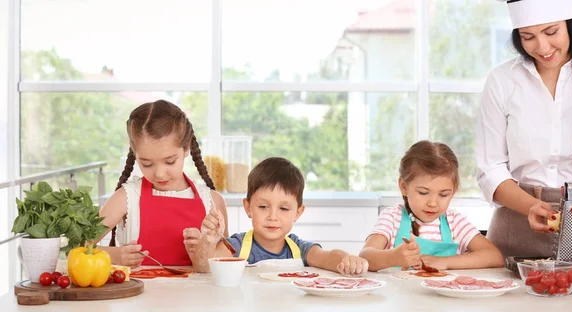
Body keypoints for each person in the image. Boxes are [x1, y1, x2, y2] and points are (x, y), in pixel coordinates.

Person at [476, 0, 572, 259]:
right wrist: (531, 206)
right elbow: (490, 167)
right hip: (515, 229)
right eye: (528, 37)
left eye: (551, 32)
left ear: (571, 27)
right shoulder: (502, 80)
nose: (542, 48)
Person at [98, 100, 227, 271]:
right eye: (146, 164)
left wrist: (205, 248)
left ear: (186, 148)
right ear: (135, 154)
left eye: (169, 161)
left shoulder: (212, 201)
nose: (159, 173)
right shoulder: (126, 197)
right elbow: (77, 249)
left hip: (197, 297)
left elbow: (227, 261)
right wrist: (114, 255)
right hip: (138, 297)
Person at [201, 157, 369, 275]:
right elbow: (206, 265)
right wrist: (208, 241)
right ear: (248, 207)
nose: (273, 216)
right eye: (263, 207)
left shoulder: (299, 249)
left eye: (283, 208)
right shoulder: (237, 246)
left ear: (298, 212)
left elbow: (328, 257)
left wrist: (348, 259)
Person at [360, 140, 504, 271]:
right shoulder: (392, 218)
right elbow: (365, 256)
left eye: (443, 195)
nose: (433, 203)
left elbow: (494, 257)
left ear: (452, 192)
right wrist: (393, 257)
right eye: (423, 193)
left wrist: (445, 262)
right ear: (404, 186)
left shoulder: (455, 222)